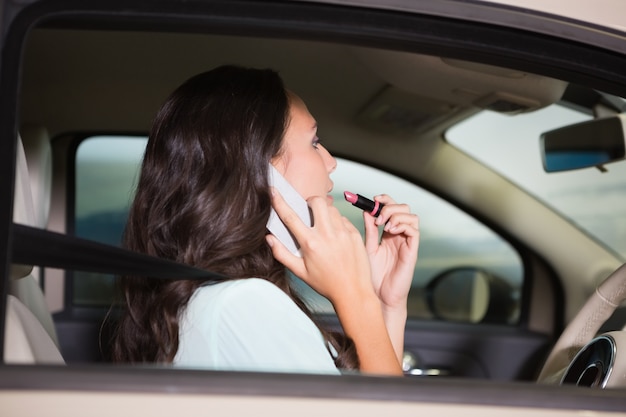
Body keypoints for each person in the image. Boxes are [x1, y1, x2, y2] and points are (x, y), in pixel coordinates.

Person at [111, 65, 419, 375]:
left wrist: (384, 303)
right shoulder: (245, 304)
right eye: (314, 142)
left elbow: (376, 392)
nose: (331, 162)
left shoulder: (231, 297)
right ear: (259, 169)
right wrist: (354, 294)